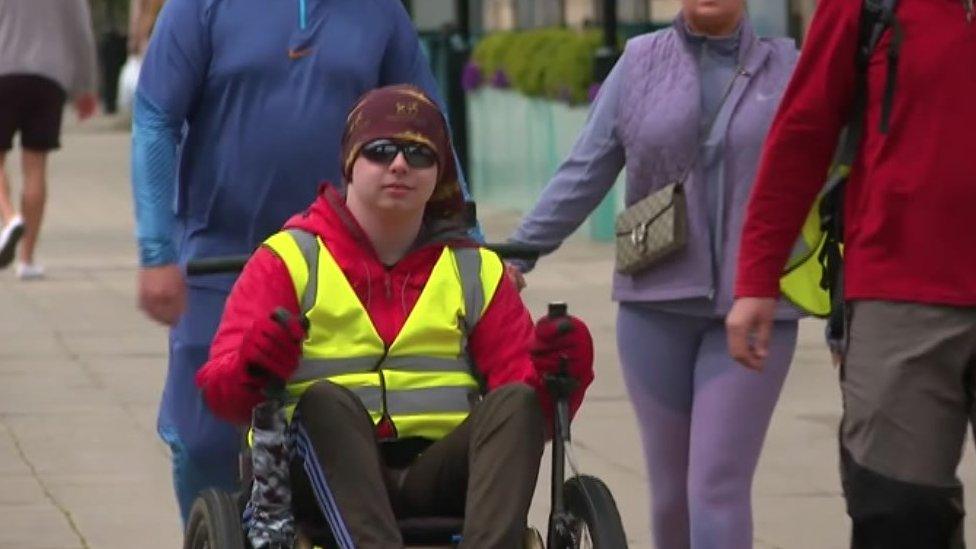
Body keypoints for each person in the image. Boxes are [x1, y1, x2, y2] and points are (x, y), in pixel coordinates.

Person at [195, 85, 594, 548]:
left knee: (515, 403)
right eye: (381, 151)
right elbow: (221, 392)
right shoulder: (287, 259)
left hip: (439, 474)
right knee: (326, 403)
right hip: (317, 474)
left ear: (438, 173)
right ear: (350, 163)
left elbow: (532, 418)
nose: (400, 165)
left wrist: (561, 373)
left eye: (419, 154)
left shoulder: (475, 269)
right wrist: (253, 363)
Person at [130, 0, 479, 522]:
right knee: (202, 439)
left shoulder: (379, 12)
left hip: (341, 257)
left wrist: (466, 237)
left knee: (346, 426)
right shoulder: (200, 8)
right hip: (222, 257)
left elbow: (429, 123)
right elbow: (156, 118)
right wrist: (157, 251)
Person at [507, 1, 800, 547]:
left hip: (755, 307)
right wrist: (518, 253)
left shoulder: (788, 67)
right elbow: (585, 168)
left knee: (716, 484)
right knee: (669, 495)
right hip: (653, 305)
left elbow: (829, 173)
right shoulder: (640, 62)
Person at [727, 0, 976, 546]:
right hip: (899, 291)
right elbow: (803, 132)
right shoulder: (865, 6)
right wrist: (756, 278)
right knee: (898, 513)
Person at [0, 0, 98, 279]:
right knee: (36, 167)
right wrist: (85, 86)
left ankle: (9, 218)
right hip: (48, 77)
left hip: (3, 71)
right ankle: (27, 260)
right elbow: (81, 32)